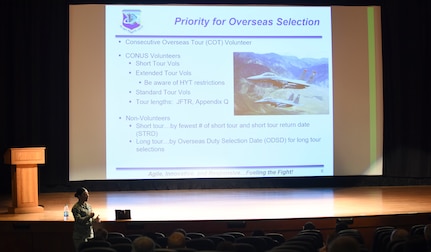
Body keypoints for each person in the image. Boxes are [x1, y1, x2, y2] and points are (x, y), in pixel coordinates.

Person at [72, 187, 101, 251]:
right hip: (80, 236)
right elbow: (79, 220)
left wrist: (95, 220)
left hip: (89, 234)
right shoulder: (76, 208)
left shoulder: (88, 206)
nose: (87, 196)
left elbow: (90, 219)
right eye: (85, 194)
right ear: (79, 196)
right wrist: (89, 217)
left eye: (87, 194)